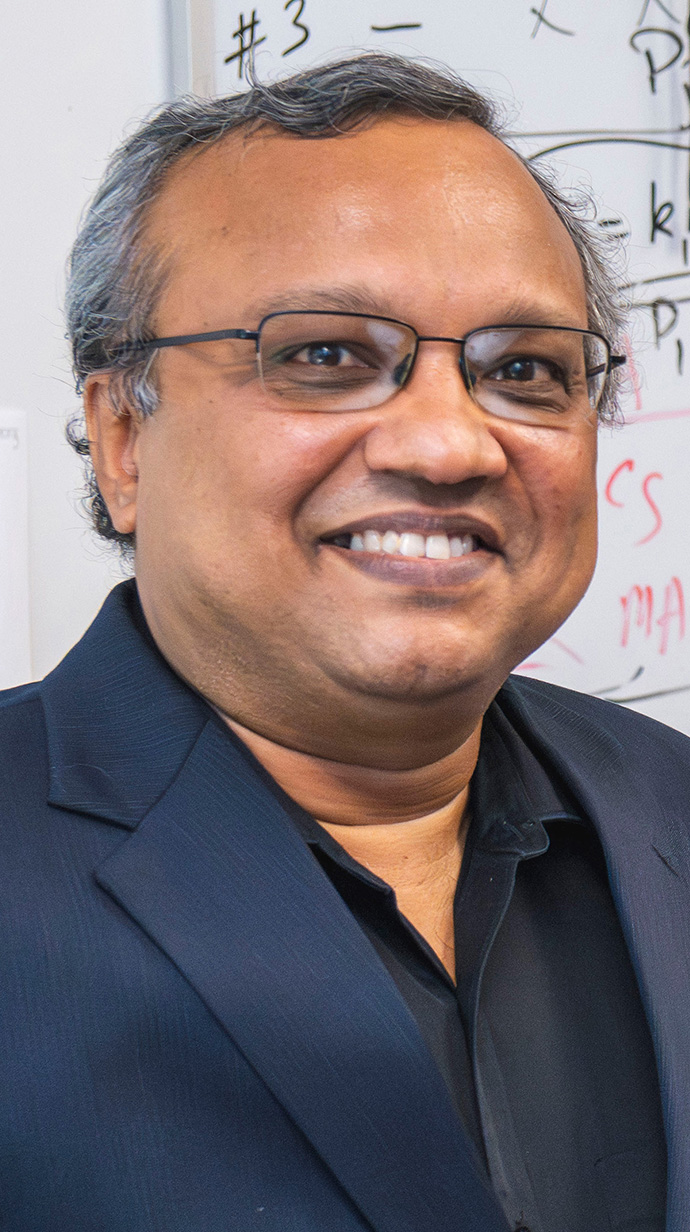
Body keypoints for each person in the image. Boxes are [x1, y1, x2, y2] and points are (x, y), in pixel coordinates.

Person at [1, 52, 686, 1232]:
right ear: (122, 439)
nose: (451, 445)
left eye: (524, 369)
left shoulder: (671, 802)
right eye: (324, 354)